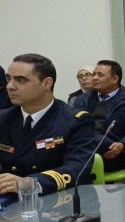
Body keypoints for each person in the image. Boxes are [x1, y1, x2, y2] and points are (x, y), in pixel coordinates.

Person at [0, 53, 96, 195]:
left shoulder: (75, 120)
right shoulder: (3, 118)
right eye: (8, 79)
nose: (10, 86)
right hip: (9, 197)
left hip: (59, 198)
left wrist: (31, 183)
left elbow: (77, 167)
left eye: (20, 80)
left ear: (46, 83)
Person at [73, 60, 125, 172]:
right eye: (94, 74)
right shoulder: (82, 100)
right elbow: (80, 128)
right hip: (85, 150)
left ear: (115, 79)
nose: (94, 78)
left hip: (114, 155)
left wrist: (122, 145)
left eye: (100, 75)